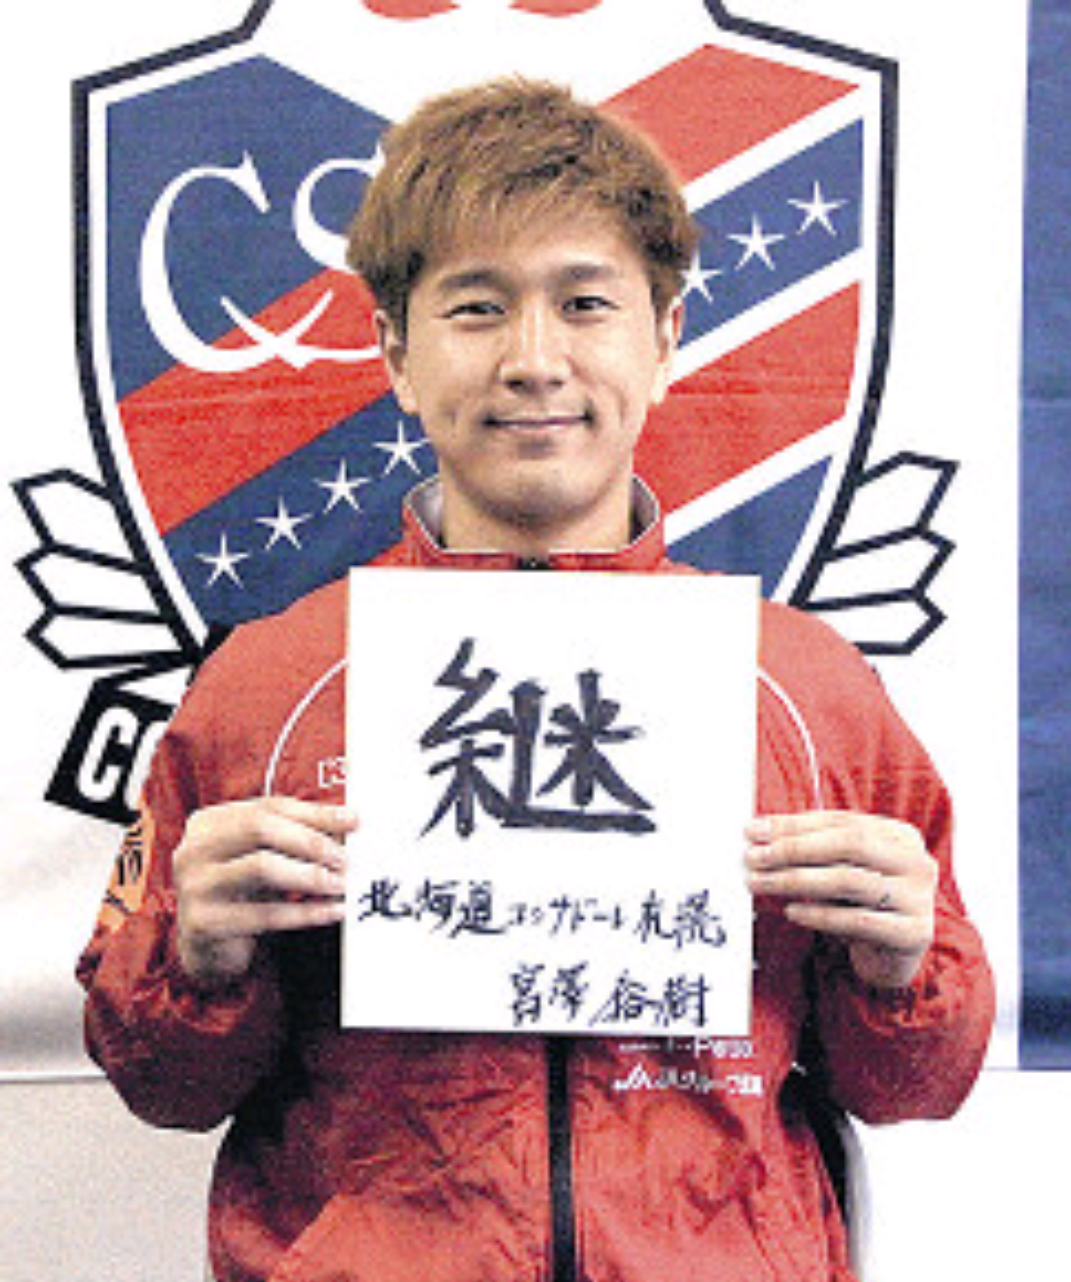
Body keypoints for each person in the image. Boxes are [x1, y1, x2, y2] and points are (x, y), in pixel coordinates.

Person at [77, 78, 995, 1282]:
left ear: (664, 342)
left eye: (585, 303)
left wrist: (900, 969)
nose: (533, 360)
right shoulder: (269, 687)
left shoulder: (806, 690)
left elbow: (915, 1087)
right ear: (397, 355)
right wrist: (195, 961)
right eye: (476, 307)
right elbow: (161, 1088)